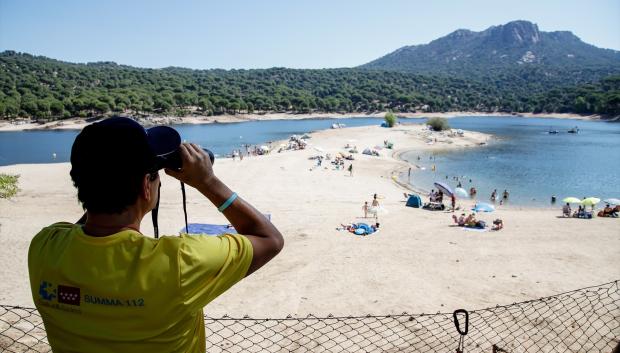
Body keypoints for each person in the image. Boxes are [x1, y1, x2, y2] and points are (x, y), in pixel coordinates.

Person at [28, 117, 284, 353]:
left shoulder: (45, 248)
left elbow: (90, 217)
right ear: (145, 187)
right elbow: (268, 239)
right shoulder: (179, 262)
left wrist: (109, 177)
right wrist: (207, 182)